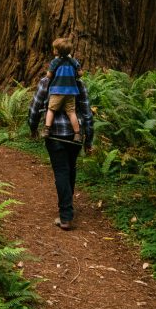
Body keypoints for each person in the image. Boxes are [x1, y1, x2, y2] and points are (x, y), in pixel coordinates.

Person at [28, 73, 93, 230]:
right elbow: (87, 112)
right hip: (75, 136)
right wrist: (89, 138)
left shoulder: (46, 82)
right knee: (70, 168)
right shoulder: (78, 82)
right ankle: (67, 207)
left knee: (62, 171)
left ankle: (66, 216)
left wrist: (33, 127)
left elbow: (35, 107)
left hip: (55, 135)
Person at [44, 37, 83, 142]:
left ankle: (47, 129)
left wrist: (50, 74)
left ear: (57, 51)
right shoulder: (73, 61)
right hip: (71, 91)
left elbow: (49, 75)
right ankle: (77, 134)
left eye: (54, 49)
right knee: (71, 112)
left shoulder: (55, 62)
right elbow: (80, 73)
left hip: (57, 91)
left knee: (51, 109)